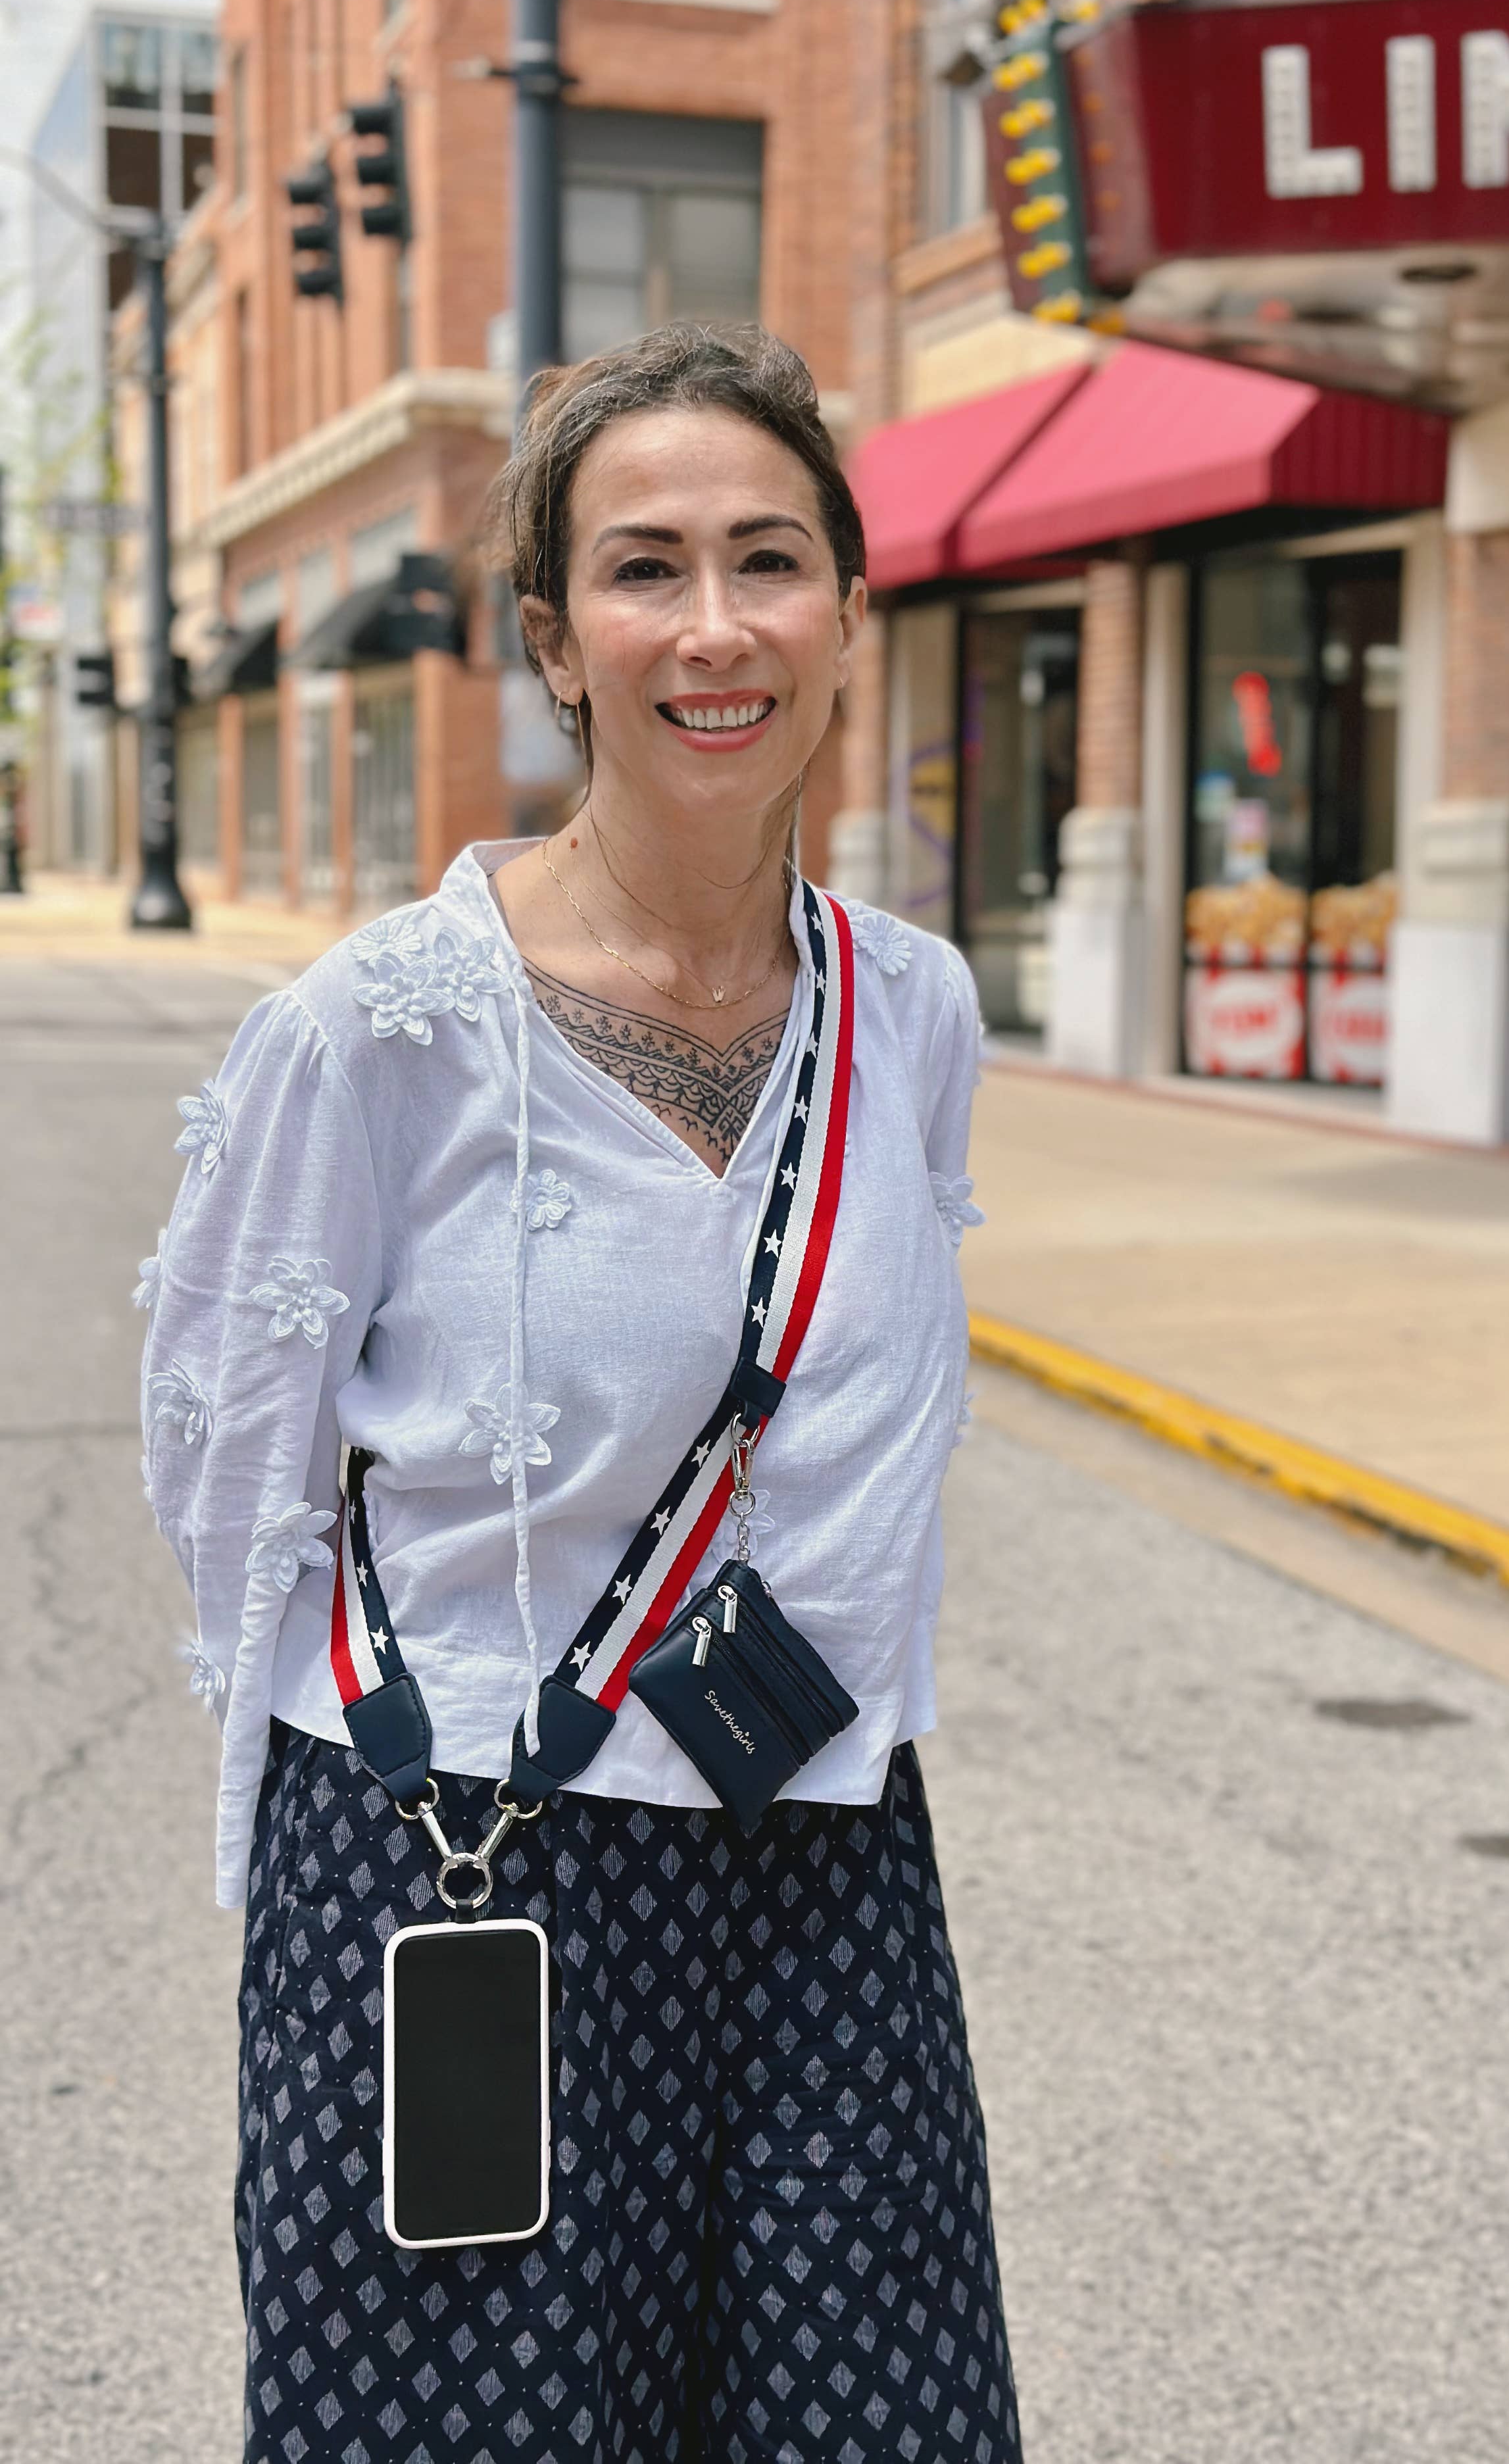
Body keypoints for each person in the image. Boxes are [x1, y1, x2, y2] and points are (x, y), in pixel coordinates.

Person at [140, 322, 1022, 2464]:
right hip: (475, 1871)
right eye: (645, 570)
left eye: (768, 560)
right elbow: (225, 1466)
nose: (713, 628)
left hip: (823, 1867)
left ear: (846, 614)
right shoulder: (383, 1033)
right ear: (553, 638)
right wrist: (307, 1884)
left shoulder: (908, 1010)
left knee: (874, 2425)